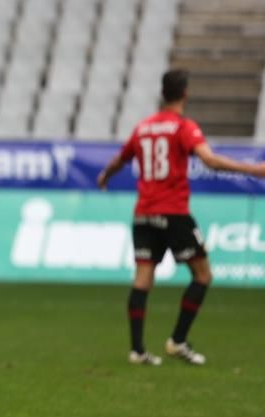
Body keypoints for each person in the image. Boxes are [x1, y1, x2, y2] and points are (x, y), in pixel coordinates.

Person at [97, 69, 265, 366]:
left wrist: (104, 176)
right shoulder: (183, 127)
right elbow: (210, 160)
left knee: (142, 279)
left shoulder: (143, 128)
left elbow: (119, 160)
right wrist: (254, 170)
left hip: (144, 213)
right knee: (203, 275)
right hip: (173, 212)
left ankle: (137, 350)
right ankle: (177, 340)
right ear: (185, 93)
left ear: (163, 94)